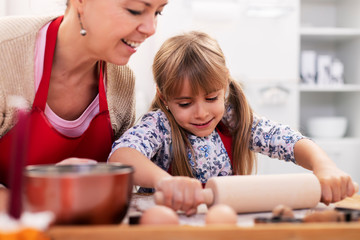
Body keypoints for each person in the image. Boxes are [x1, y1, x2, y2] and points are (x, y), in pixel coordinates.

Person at [109, 31, 357, 215]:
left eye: (211, 98)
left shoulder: (233, 121)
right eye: (185, 103)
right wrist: (165, 181)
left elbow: (287, 140)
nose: (201, 113)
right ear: (164, 97)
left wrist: (324, 166)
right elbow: (121, 157)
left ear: (224, 84)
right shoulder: (159, 126)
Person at [0, 0, 168, 211]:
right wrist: (44, 191)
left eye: (158, 13)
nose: (151, 29)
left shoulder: (122, 84)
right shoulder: (4, 53)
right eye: (135, 10)